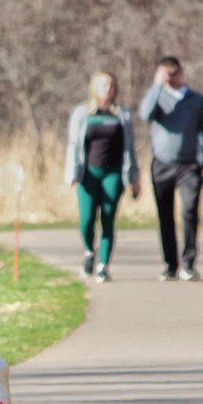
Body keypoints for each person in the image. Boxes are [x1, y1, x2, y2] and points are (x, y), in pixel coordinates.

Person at [138, 55, 203, 281]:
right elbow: (145, 114)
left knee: (190, 211)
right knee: (165, 215)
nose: (170, 77)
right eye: (166, 73)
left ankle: (189, 263)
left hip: (189, 165)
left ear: (182, 72)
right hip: (162, 163)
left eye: (173, 72)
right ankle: (170, 264)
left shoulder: (197, 100)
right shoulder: (157, 96)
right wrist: (157, 86)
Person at [64, 71, 141, 283]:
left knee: (108, 217)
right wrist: (71, 173)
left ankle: (103, 266)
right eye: (104, 85)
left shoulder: (122, 114)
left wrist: (135, 177)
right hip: (89, 173)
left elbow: (130, 148)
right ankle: (89, 251)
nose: (108, 89)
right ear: (95, 88)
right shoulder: (82, 113)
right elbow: (73, 145)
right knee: (87, 220)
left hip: (113, 173)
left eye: (111, 85)